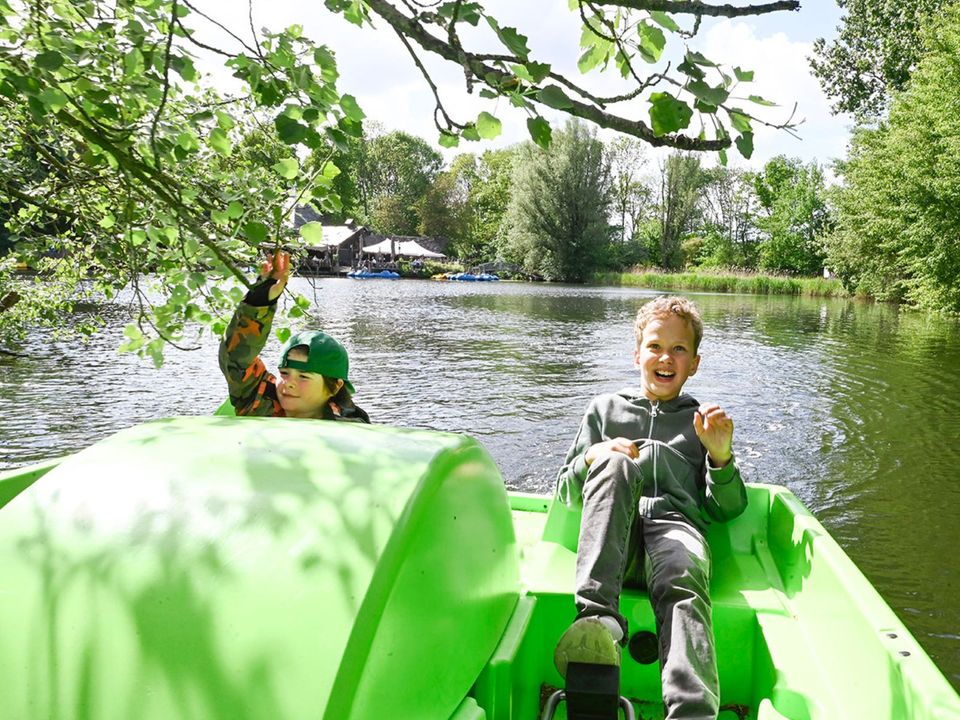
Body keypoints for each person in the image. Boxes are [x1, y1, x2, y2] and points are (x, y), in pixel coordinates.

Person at [553, 295, 746, 719]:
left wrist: (720, 457)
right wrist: (594, 457)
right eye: (655, 346)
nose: (665, 357)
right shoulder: (604, 410)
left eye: (679, 349)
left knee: (683, 576)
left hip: (674, 534)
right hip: (611, 544)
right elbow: (566, 493)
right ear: (637, 353)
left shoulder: (702, 421)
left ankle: (692, 711)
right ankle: (598, 624)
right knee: (616, 461)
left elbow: (725, 509)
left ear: (694, 363)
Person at [219, 251, 369, 423]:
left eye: (304, 376)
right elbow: (234, 359)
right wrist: (260, 299)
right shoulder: (258, 402)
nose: (289, 383)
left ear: (335, 387)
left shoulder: (352, 430)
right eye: (284, 373)